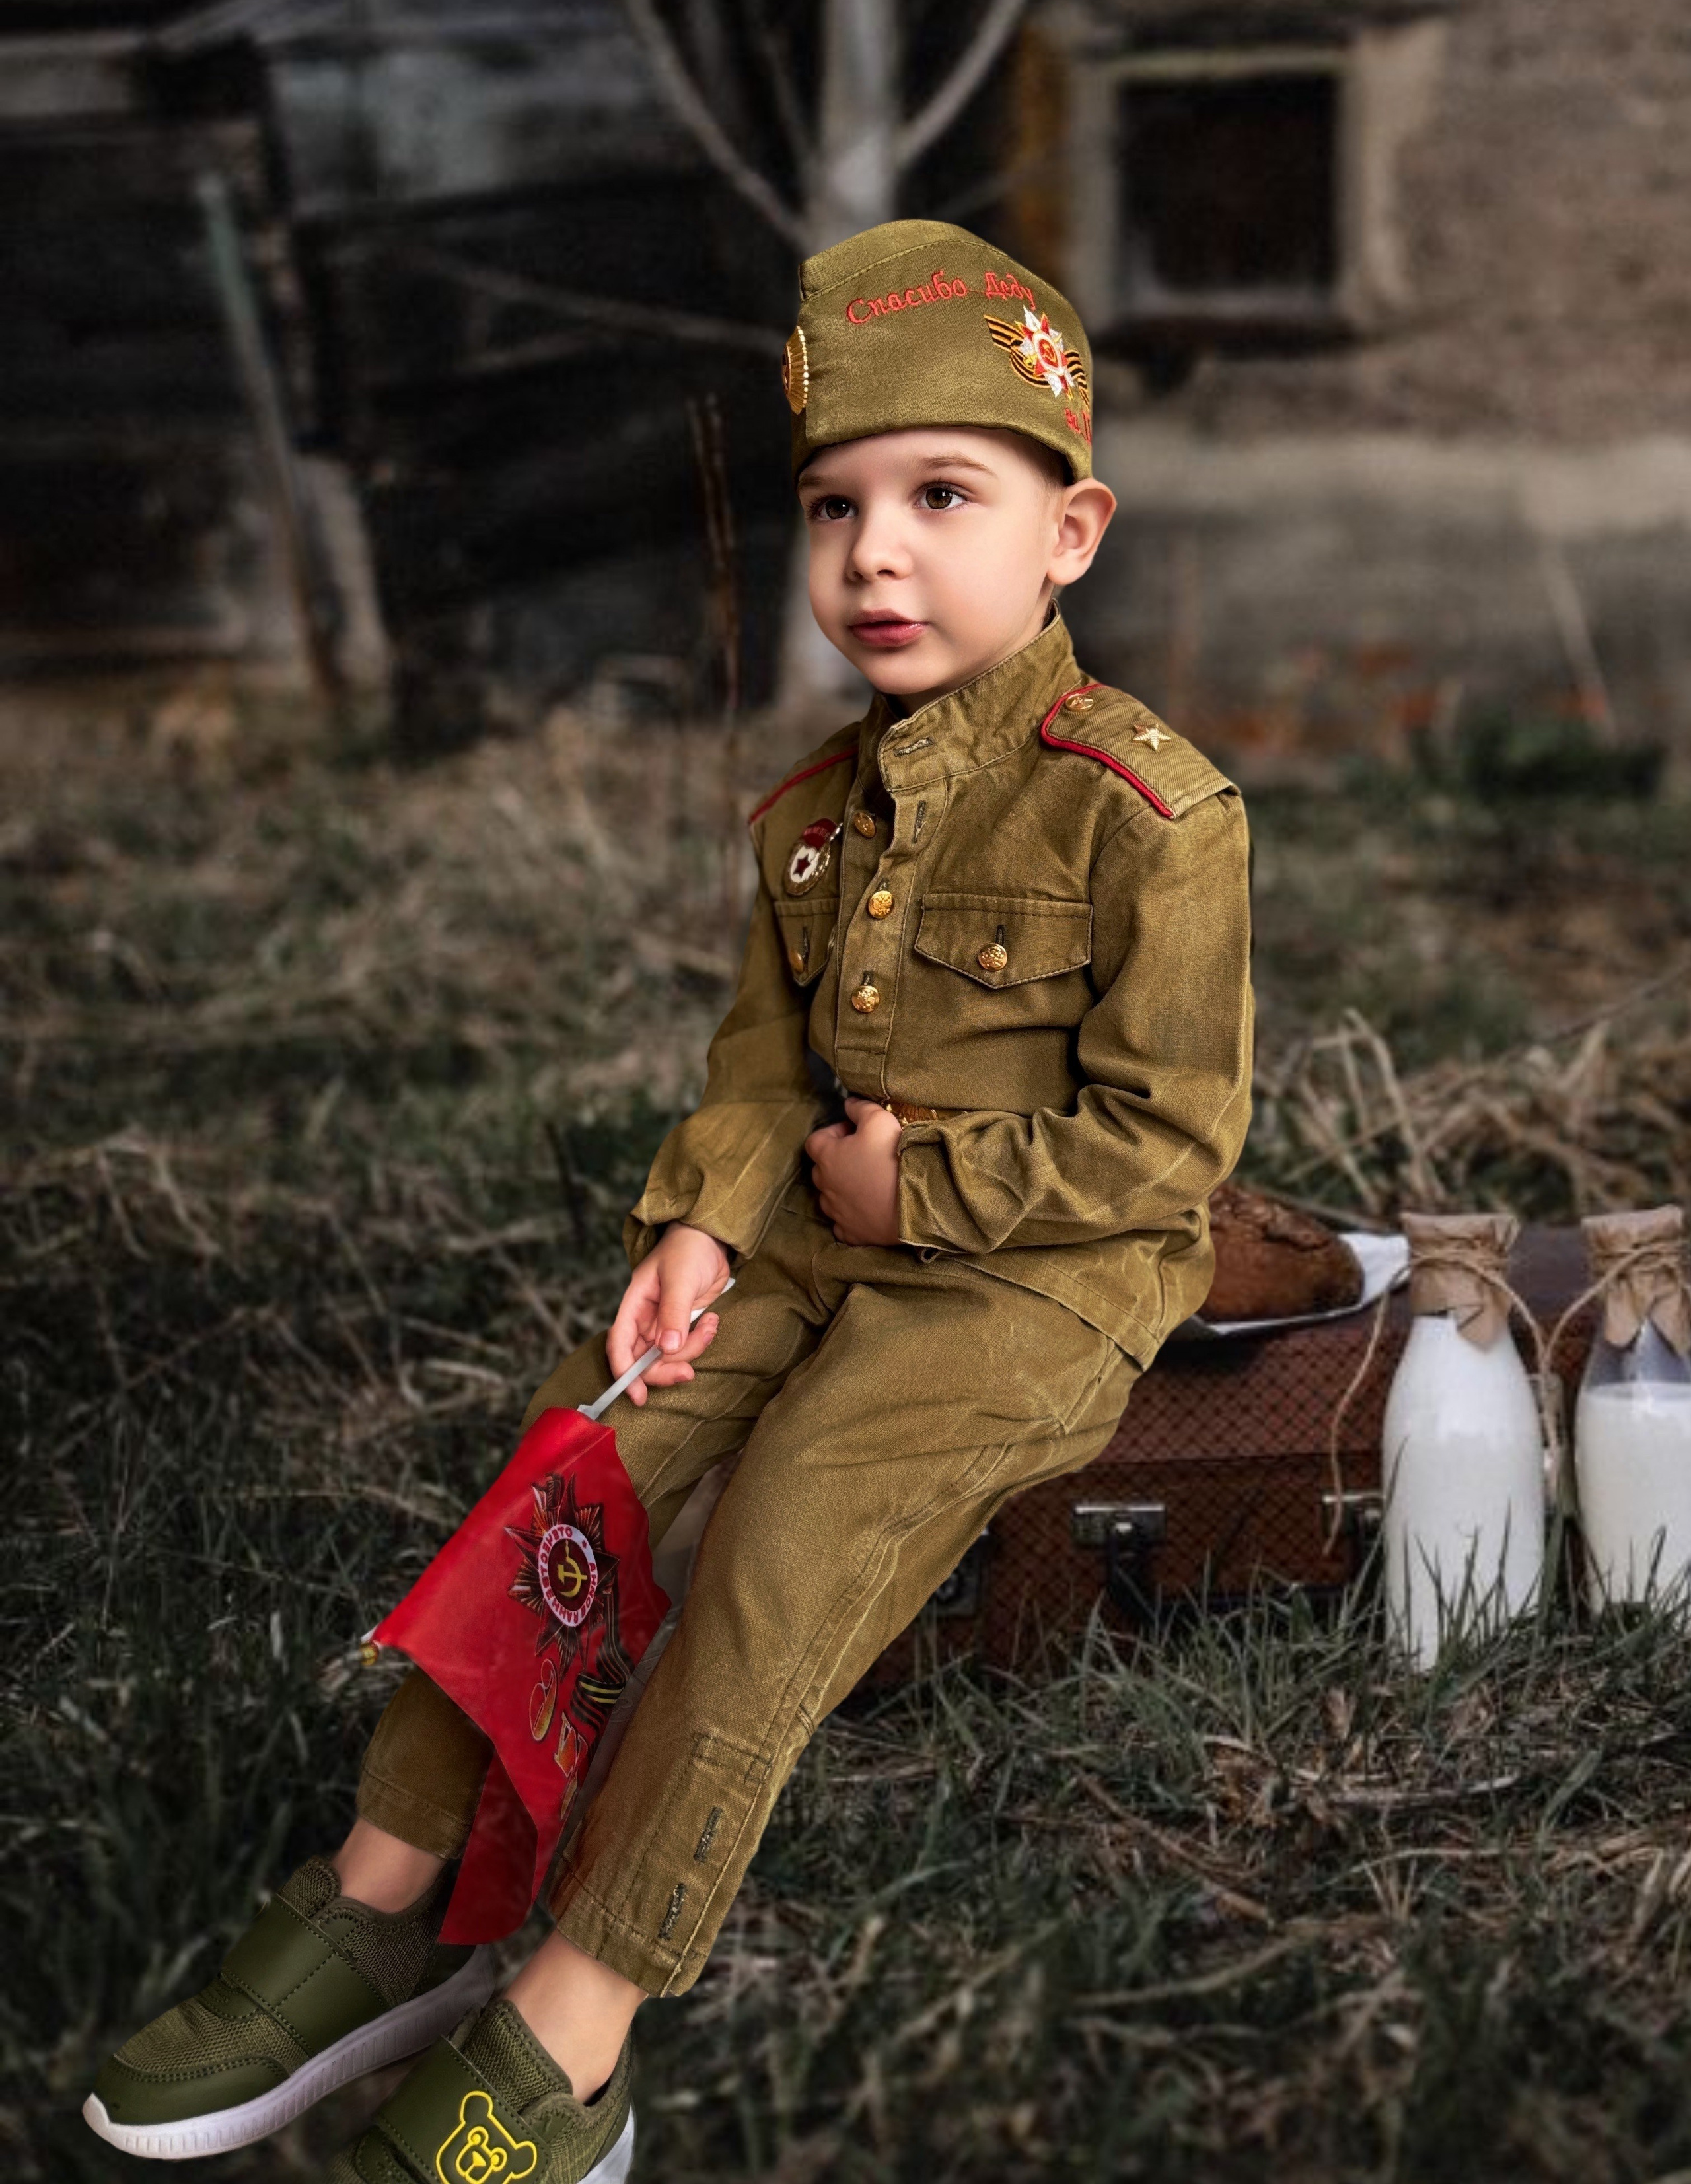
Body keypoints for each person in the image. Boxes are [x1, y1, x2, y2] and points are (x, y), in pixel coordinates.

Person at [83, 219, 1254, 2184]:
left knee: (787, 1531)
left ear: (1072, 535)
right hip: (811, 1226)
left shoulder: (1147, 811)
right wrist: (702, 1226)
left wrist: (925, 1192)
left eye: (941, 497)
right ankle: (383, 1902)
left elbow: (1168, 1147)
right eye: (830, 509)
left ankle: (573, 2029)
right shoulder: (811, 818)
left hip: (1041, 1276)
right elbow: (755, 1068)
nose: (872, 555)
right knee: (583, 1464)